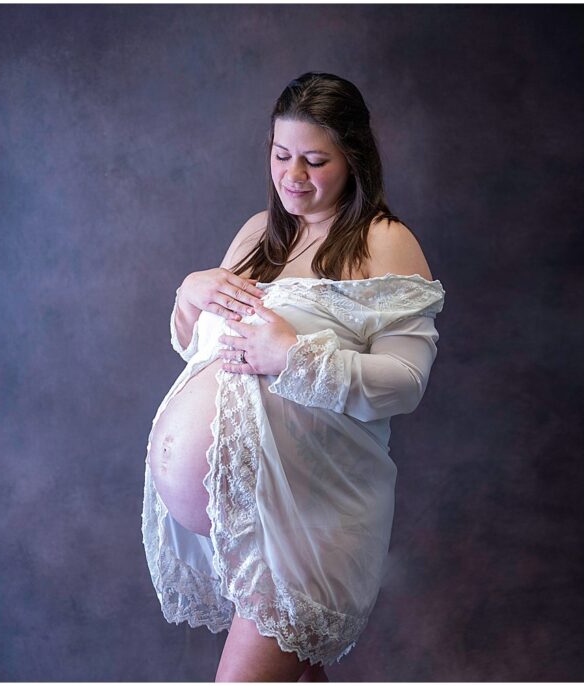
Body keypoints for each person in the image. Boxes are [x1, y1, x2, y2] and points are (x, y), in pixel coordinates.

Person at [142, 72, 447, 682]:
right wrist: (190, 292)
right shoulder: (258, 233)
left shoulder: (384, 243)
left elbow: (406, 382)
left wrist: (293, 356)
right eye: (282, 156)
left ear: (354, 160)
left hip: (309, 519)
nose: (293, 176)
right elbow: (205, 355)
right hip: (245, 527)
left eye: (315, 160)